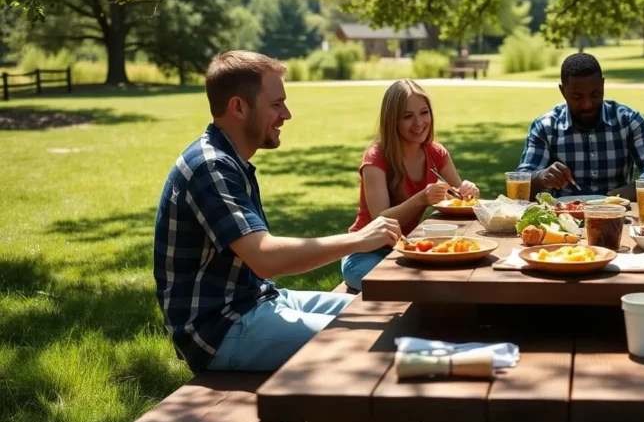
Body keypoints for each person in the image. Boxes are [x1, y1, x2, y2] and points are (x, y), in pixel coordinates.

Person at [154, 51, 402, 374]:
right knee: (364, 343)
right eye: (276, 104)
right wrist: (359, 241)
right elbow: (266, 258)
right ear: (238, 107)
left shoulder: (228, 159)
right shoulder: (210, 167)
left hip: (258, 302)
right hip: (221, 330)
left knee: (386, 315)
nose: (286, 114)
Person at [341, 80, 479, 291]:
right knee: (406, 288)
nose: (419, 122)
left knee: (451, 277)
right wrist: (422, 199)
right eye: (407, 116)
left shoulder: (435, 153)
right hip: (365, 252)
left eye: (424, 113)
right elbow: (381, 221)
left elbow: (460, 199)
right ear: (392, 121)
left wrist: (468, 192)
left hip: (407, 247)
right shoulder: (376, 157)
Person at [515, 53, 644, 200]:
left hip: (618, 215)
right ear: (563, 91)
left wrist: (634, 189)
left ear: (603, 85)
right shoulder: (545, 127)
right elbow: (519, 182)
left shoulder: (629, 121)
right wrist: (541, 177)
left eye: (595, 95)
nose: (587, 105)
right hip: (565, 219)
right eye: (577, 97)